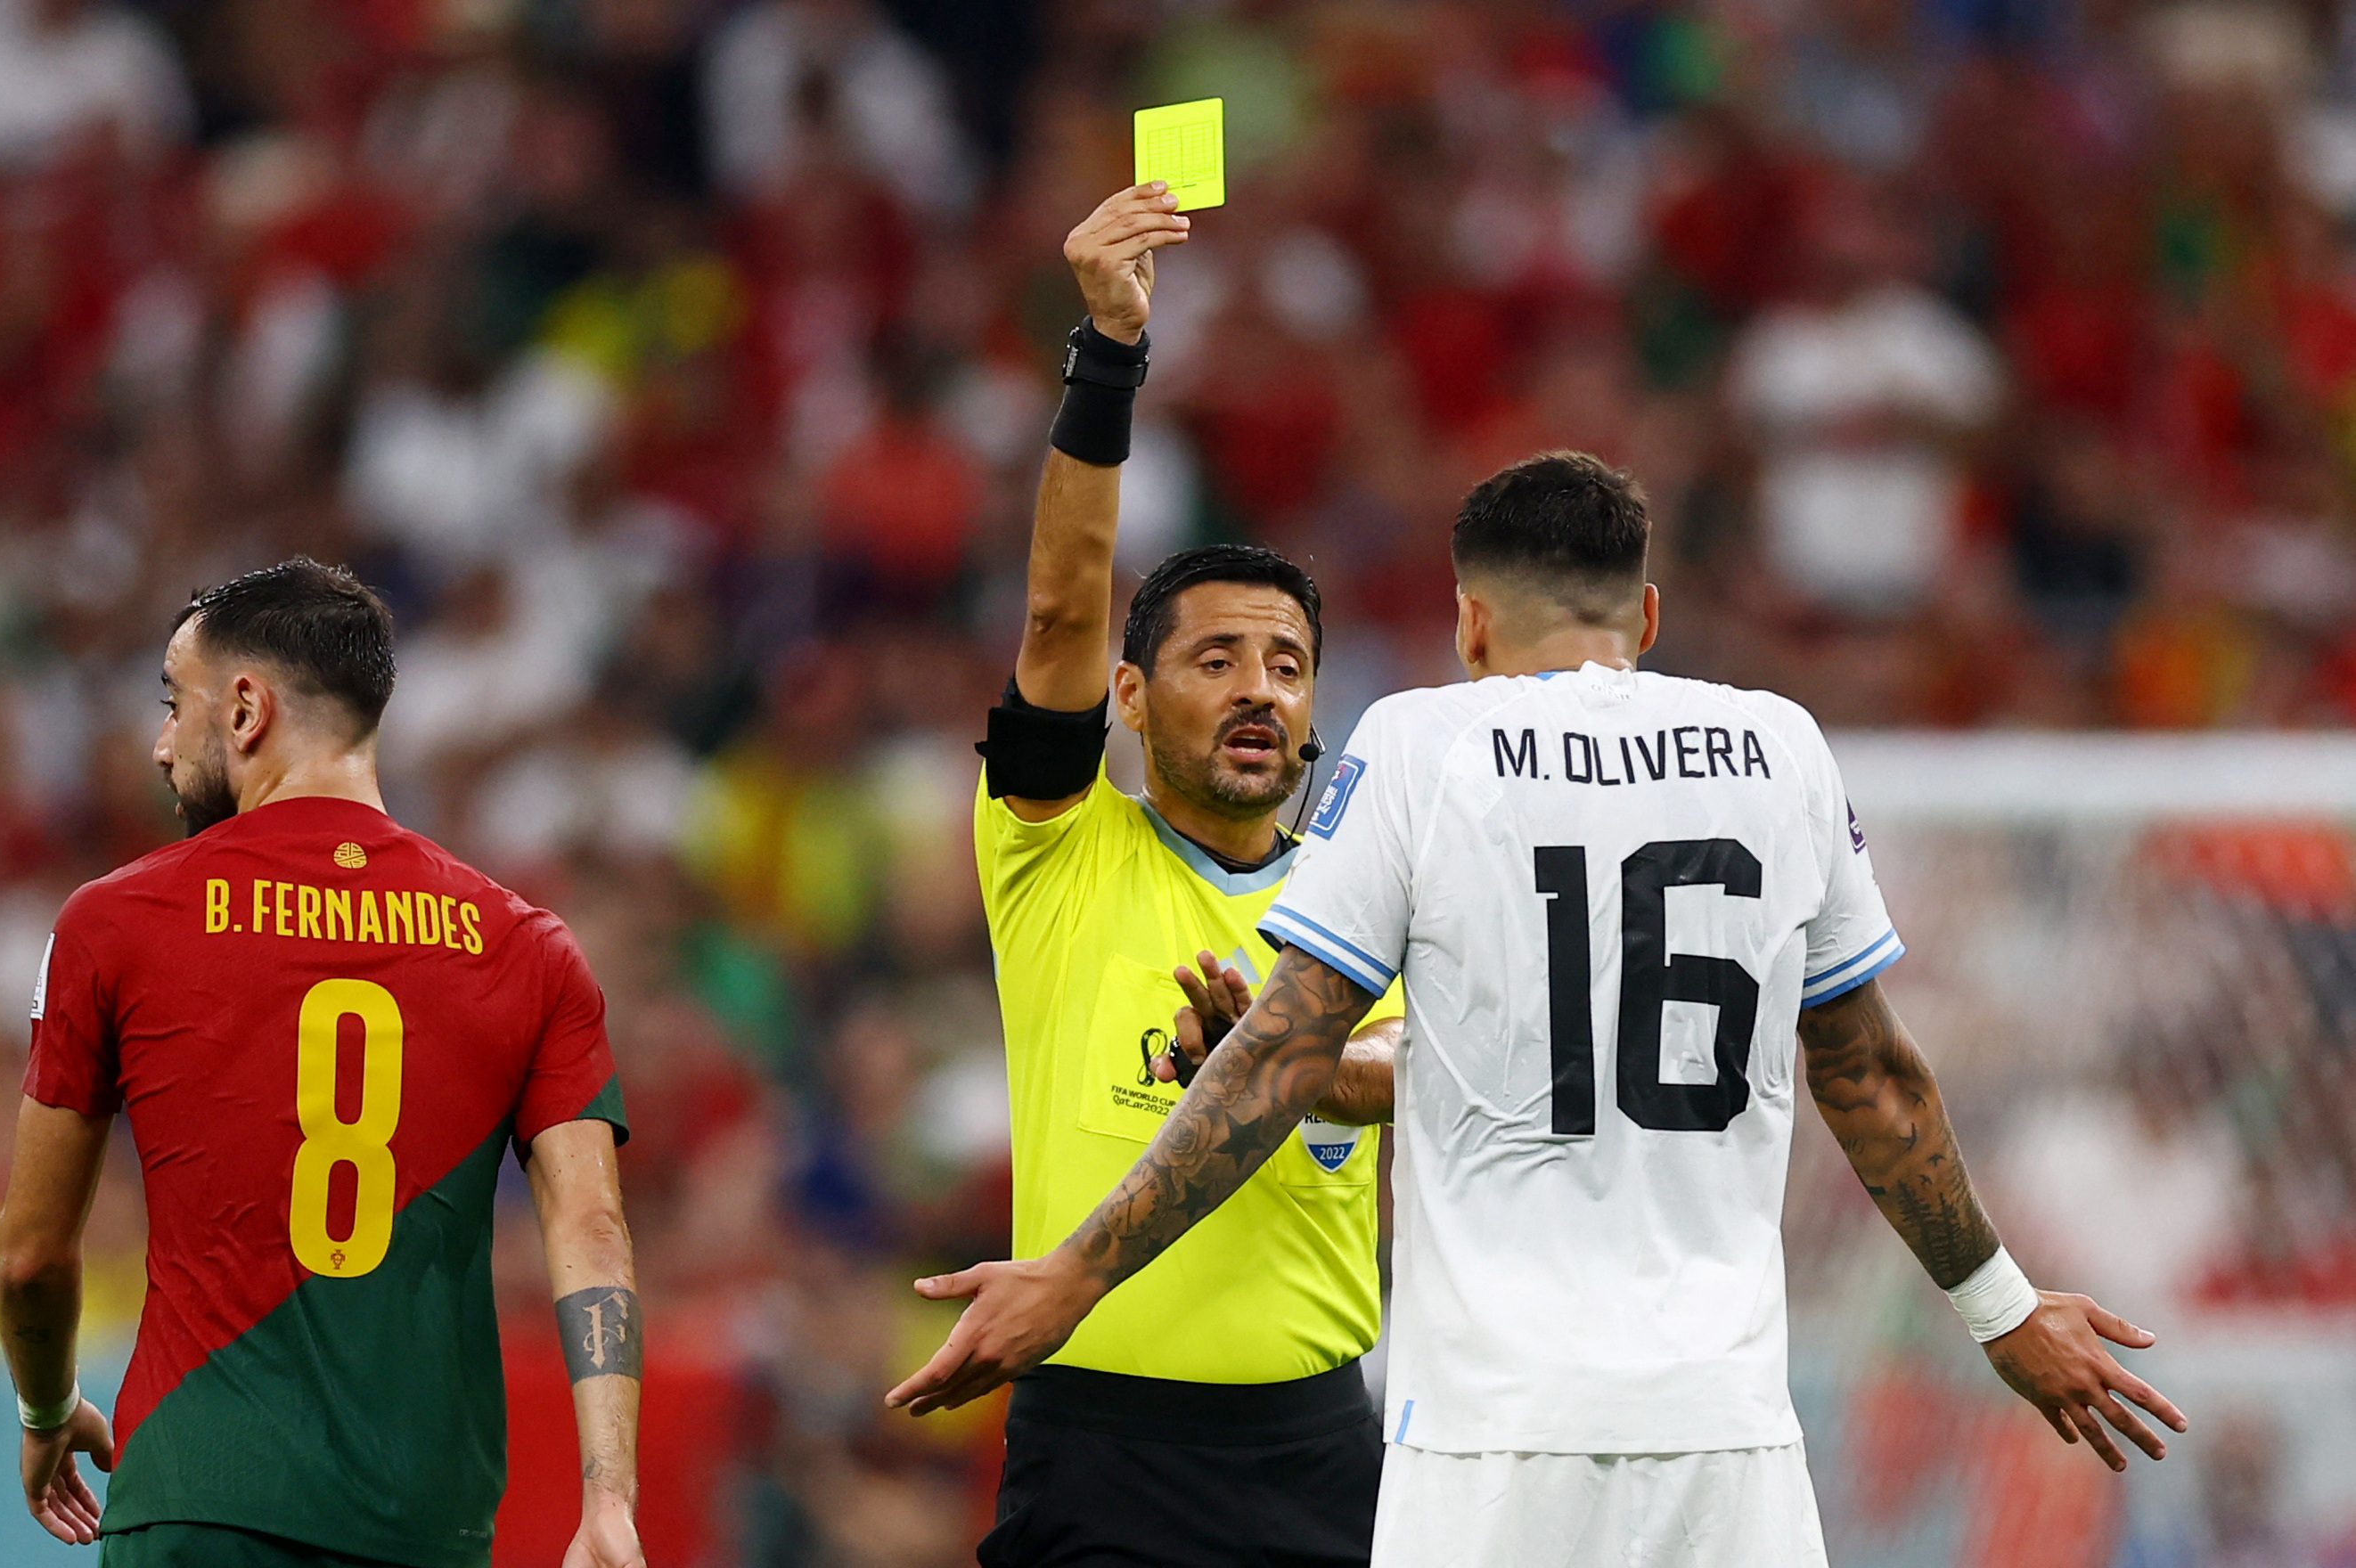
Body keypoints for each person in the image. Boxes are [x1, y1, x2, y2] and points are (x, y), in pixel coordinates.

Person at [888, 453, 2191, 1566]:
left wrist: (1073, 1273)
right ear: (1651, 614)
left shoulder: (1418, 748)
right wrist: (2002, 1309)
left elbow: (1285, 1053)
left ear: (1467, 626)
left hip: (1488, 1439)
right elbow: (1874, 1080)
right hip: (1724, 1429)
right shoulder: (1779, 746)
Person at [0, 559, 646, 1568]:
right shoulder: (525, 945)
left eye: (174, 704)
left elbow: (32, 1254)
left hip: (198, 1497)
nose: (164, 744)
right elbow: (593, 1227)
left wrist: (46, 1405)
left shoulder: (114, 920)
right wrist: (610, 1497)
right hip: (422, 1522)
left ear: (245, 708)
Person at [946, 183, 1405, 1568]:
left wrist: (1276, 1061)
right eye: (1217, 661)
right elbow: (1062, 598)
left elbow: (1423, 1078)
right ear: (1132, 700)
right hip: (1104, 1453)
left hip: (1320, 1452)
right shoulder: (1056, 846)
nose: (1260, 690)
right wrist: (1108, 354)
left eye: (1287, 665)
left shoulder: (1363, 891)